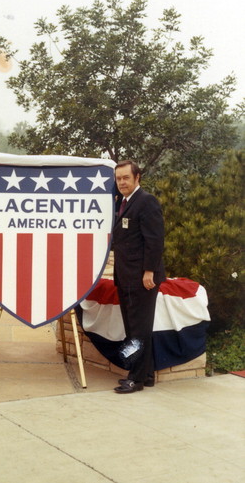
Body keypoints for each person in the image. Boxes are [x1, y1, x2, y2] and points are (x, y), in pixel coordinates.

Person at [112, 160, 165, 394]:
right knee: (135, 328)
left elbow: (155, 240)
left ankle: (135, 379)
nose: (122, 182)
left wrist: (149, 271)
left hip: (141, 278)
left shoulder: (146, 201)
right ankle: (147, 374)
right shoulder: (123, 203)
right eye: (118, 178)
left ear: (137, 178)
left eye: (126, 177)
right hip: (126, 276)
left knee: (138, 329)